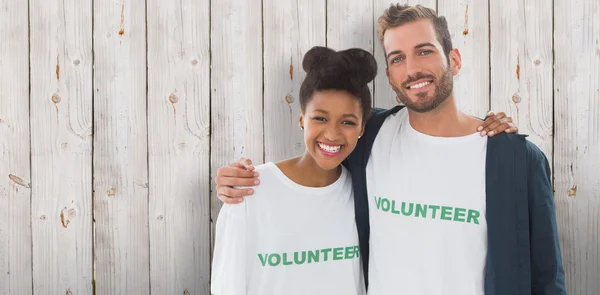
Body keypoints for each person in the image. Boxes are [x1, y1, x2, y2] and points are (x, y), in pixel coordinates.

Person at [214, 4, 566, 295]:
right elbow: (324, 147)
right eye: (397, 58)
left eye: (424, 51)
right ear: (389, 75)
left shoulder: (513, 159)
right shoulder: (371, 136)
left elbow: (545, 277)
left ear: (454, 60)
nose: (412, 69)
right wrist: (242, 179)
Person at [211, 46, 378, 295]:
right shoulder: (248, 191)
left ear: (362, 128)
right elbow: (227, 287)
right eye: (320, 118)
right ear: (302, 119)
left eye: (348, 122)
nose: (332, 134)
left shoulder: (364, 193)